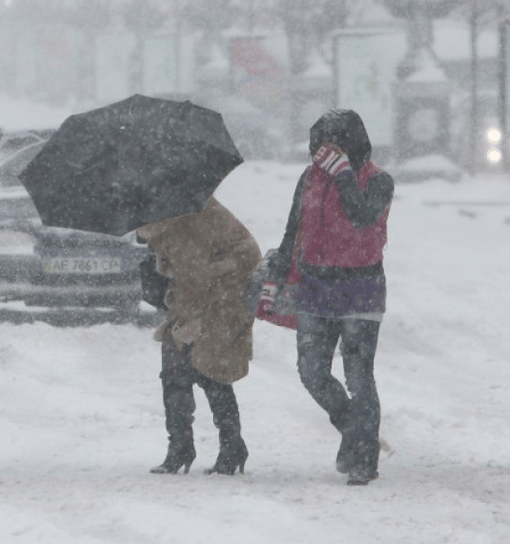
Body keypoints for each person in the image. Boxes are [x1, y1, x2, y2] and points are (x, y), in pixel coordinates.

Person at [259, 109, 393, 486]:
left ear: (353, 143)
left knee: (358, 375)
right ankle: (354, 429)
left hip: (361, 288)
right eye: (320, 144)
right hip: (315, 288)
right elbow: (294, 229)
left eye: (334, 142)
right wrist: (278, 274)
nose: (325, 151)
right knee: (312, 371)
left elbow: (361, 217)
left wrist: (344, 174)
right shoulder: (309, 178)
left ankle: (365, 459)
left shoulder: (379, 181)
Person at [137, 196, 260, 476]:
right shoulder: (162, 221)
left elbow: (196, 272)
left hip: (223, 299)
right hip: (198, 295)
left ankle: (231, 448)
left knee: (210, 371)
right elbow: (183, 272)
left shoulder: (186, 216)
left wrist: (186, 319)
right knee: (173, 372)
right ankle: (180, 447)